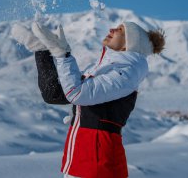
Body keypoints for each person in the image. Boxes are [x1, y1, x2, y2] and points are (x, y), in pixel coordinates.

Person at [11, 20, 165, 178]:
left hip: (98, 162)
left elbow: (76, 93)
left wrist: (62, 54)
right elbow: (56, 94)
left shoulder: (126, 72)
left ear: (129, 44)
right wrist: (42, 51)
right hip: (81, 157)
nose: (111, 29)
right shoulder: (103, 67)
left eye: (120, 30)